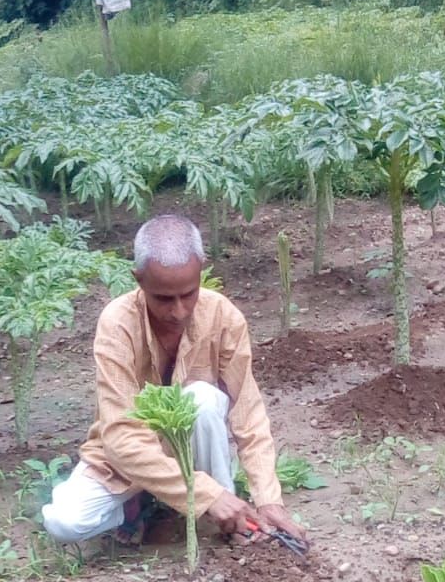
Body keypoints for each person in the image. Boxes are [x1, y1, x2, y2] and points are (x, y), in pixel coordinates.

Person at [42, 214, 307, 547]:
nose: (179, 311)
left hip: (196, 450)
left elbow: (248, 414)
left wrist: (269, 499)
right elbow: (121, 438)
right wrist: (201, 493)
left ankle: (231, 522)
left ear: (201, 271)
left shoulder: (224, 317)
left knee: (202, 399)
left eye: (189, 294)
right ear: (138, 280)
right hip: (130, 459)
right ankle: (141, 506)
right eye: (164, 299)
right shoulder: (117, 325)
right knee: (63, 521)